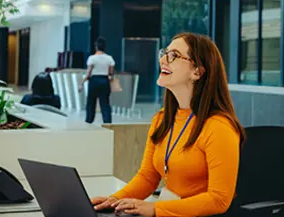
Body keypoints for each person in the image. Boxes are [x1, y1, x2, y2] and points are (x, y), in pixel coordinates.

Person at [90, 33, 245, 217]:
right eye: (165, 53)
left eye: (174, 55)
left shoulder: (219, 127)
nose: (164, 59)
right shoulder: (162, 119)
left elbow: (219, 200)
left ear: (197, 72)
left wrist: (156, 209)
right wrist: (114, 200)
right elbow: (147, 177)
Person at [80, 37, 115, 124]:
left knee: (91, 103)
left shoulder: (92, 58)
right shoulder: (109, 58)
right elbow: (111, 72)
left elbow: (88, 73)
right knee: (105, 104)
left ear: (96, 47)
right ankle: (107, 123)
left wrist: (82, 83)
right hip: (104, 81)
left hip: (94, 81)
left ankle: (89, 121)